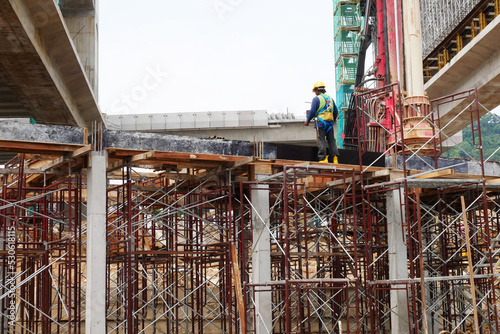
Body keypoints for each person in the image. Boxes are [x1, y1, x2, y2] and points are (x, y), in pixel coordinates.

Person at [304, 81, 340, 163]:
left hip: (320, 123)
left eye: (315, 91)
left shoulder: (316, 99)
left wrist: (307, 121)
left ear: (317, 90)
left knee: (321, 140)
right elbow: (335, 111)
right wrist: (332, 121)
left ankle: (323, 158)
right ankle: (335, 158)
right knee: (332, 141)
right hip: (329, 124)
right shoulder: (330, 99)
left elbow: (312, 111)